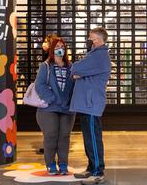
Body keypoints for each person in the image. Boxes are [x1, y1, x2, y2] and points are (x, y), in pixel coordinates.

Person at [70, 27, 112, 185]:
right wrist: (79, 72)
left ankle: (97, 171)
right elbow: (76, 71)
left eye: (91, 38)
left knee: (93, 138)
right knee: (89, 137)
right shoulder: (93, 55)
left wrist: (79, 72)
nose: (88, 40)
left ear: (99, 41)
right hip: (87, 103)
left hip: (91, 103)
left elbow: (75, 68)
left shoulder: (99, 56)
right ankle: (91, 167)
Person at [34, 38, 76, 175]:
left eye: (62, 47)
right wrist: (52, 98)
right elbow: (39, 85)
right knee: (51, 135)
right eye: (57, 47)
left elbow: (75, 86)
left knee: (64, 135)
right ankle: (50, 163)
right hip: (49, 108)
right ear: (51, 49)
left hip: (67, 109)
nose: (60, 49)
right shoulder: (45, 66)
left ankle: (63, 163)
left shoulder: (71, 67)